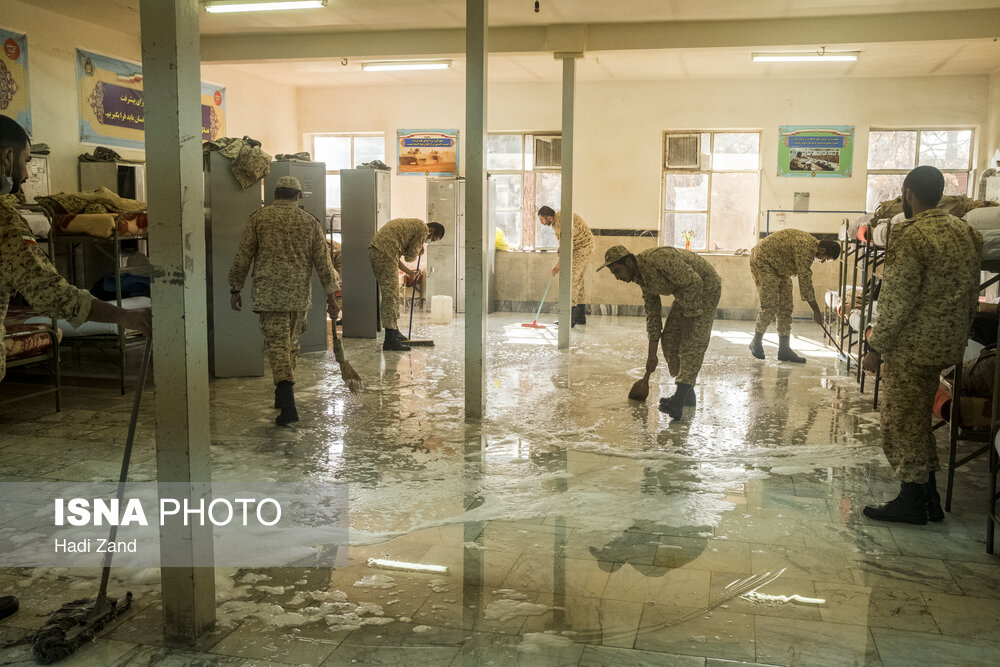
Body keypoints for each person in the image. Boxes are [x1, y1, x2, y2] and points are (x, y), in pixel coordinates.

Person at [862, 166, 982, 525]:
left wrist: (876, 346)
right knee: (917, 421)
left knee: (899, 423)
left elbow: (897, 297)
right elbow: (972, 293)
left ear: (908, 192)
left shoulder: (910, 234)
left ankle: (911, 499)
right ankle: (928, 497)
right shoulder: (968, 233)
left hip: (913, 346)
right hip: (947, 344)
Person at [0, 114, 150, 384]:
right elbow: (50, 293)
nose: (24, 175)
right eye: (27, 161)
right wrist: (124, 316)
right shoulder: (5, 222)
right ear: (7, 157)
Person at [228, 176, 340, 426]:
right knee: (290, 344)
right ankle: (282, 395)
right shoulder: (310, 222)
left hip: (269, 295)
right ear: (298, 196)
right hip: (299, 296)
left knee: (277, 346)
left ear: (275, 194)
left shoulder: (259, 218)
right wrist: (332, 298)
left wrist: (236, 287)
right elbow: (324, 263)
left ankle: (288, 405)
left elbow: (243, 255)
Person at [597, 244, 721, 420]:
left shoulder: (658, 259)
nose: (618, 277)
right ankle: (686, 392)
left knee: (691, 339)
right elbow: (653, 315)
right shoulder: (641, 279)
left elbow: (694, 282)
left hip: (706, 288)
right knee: (670, 338)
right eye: (614, 274)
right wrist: (651, 355)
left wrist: (690, 317)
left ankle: (679, 399)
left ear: (629, 261)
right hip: (684, 293)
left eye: (618, 271)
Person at [748, 228, 840, 363]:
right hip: (763, 262)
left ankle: (784, 349)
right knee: (770, 306)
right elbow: (805, 281)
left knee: (786, 307)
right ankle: (756, 341)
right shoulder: (806, 248)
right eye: (826, 259)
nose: (822, 261)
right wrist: (816, 311)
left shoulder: (810, 246)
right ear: (823, 250)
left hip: (779, 267)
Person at [368, 218, 444, 351]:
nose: (428, 241)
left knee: (392, 293)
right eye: (431, 239)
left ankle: (394, 331)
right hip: (384, 253)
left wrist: (409, 272)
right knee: (390, 295)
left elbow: (394, 257)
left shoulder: (413, 226)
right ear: (431, 231)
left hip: (381, 252)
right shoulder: (422, 229)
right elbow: (409, 257)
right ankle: (390, 339)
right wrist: (419, 251)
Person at [538, 206, 595, 326]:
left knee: (571, 280)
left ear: (548, 217)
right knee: (578, 280)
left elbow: (566, 248)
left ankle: (569, 319)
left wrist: (557, 267)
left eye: (541, 219)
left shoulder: (560, 223)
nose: (541, 222)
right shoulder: (557, 219)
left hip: (582, 248)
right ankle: (579, 316)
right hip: (580, 247)